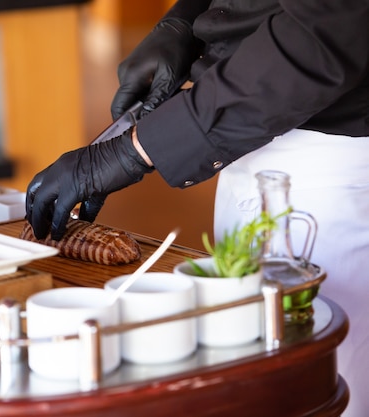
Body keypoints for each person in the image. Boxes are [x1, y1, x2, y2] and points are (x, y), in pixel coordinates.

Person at [25, 0, 369, 416]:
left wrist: (136, 150)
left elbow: (326, 32)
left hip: (330, 178)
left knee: (323, 398)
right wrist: (185, 22)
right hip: (253, 150)